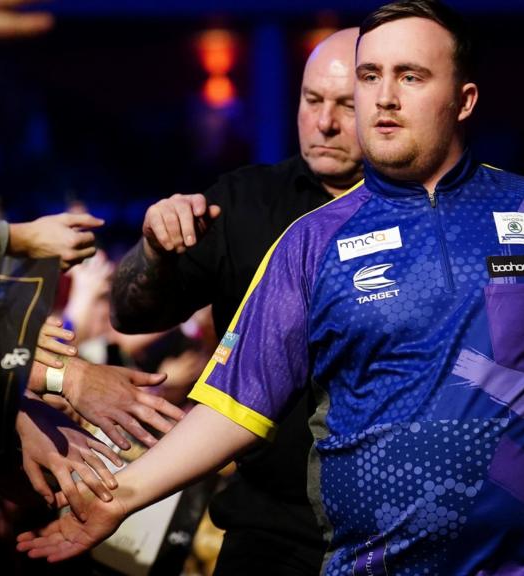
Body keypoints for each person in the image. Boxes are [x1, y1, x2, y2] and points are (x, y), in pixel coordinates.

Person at [18, 2, 524, 574]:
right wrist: (118, 497)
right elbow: (236, 408)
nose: (380, 98)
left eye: (410, 77)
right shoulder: (309, 244)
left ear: (464, 99)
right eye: (371, 76)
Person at [108, 28, 363, 575]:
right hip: (267, 534)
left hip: (399, 538)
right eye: (312, 100)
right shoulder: (243, 202)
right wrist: (154, 252)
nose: (324, 123)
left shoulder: (425, 211)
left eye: (347, 105)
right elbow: (129, 314)